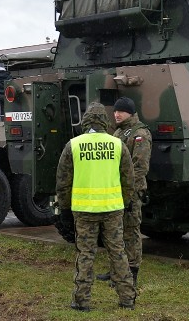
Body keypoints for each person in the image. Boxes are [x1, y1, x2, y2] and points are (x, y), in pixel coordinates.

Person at [55, 102, 137, 312]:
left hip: (84, 211)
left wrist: (64, 209)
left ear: (85, 121)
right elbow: (129, 179)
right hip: (112, 209)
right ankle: (127, 298)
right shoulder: (118, 144)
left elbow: (63, 181)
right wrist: (126, 203)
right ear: (105, 122)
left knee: (85, 254)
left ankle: (81, 301)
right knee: (118, 252)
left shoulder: (74, 145)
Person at [97, 97, 152, 287]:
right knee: (115, 233)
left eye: (121, 111)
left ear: (130, 112)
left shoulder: (140, 134)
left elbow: (140, 168)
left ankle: (132, 271)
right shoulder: (119, 132)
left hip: (131, 192)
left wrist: (129, 193)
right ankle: (117, 270)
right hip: (116, 191)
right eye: (115, 112)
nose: (117, 114)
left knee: (131, 232)